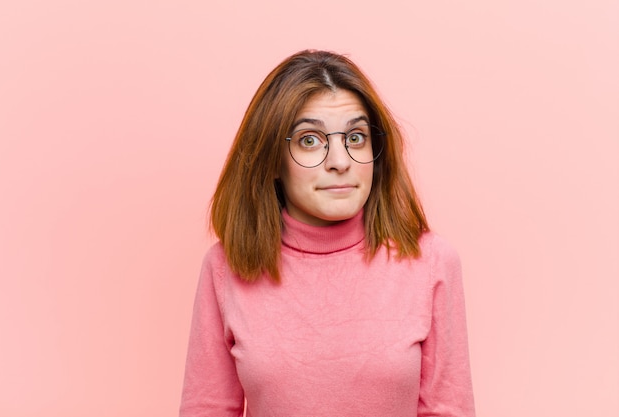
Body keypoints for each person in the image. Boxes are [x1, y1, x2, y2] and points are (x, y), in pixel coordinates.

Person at [179, 50, 475, 417]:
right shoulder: (224, 267)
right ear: (272, 159)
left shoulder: (432, 263)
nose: (340, 161)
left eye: (355, 137)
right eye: (310, 140)